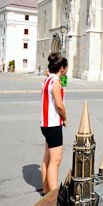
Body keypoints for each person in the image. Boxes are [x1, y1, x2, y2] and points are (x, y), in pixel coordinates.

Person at [40, 53, 68, 195]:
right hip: (53, 124)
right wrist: (65, 117)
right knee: (55, 161)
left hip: (45, 124)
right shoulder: (55, 82)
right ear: (62, 68)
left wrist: (62, 74)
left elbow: (64, 88)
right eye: (66, 68)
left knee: (47, 157)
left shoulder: (48, 79)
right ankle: (54, 196)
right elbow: (59, 104)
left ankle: (45, 190)